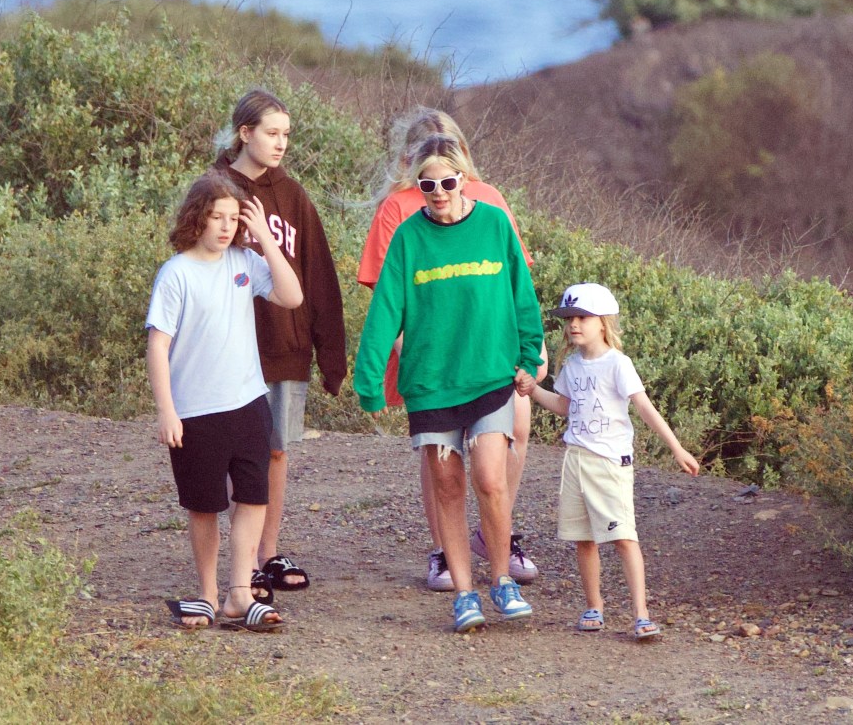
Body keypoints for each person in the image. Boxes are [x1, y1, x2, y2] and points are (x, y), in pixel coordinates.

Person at [354, 134, 544, 632]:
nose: (438, 192)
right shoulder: (409, 239)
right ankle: (465, 592)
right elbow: (383, 314)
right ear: (417, 186)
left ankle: (500, 579)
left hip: (490, 376)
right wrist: (368, 382)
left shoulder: (495, 224)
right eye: (427, 184)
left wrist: (530, 356)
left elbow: (522, 295)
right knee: (447, 485)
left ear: (464, 179)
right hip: (432, 384)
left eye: (447, 181)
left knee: (490, 479)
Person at [146, 170, 303, 631]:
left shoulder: (245, 262)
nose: (225, 226)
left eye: (233, 218)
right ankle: (208, 595)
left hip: (249, 403)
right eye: (217, 216)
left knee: (254, 496)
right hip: (195, 411)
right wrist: (166, 410)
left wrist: (263, 240)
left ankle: (239, 594)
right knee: (205, 505)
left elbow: (291, 297)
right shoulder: (176, 273)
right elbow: (158, 345)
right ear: (198, 217)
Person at [215, 89, 347, 599]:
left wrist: (329, 354)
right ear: (245, 133)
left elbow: (318, 277)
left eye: (286, 134)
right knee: (237, 450)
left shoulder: (293, 197)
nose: (281, 143)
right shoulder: (216, 189)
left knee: (275, 451)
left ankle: (267, 553)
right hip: (232, 343)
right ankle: (240, 564)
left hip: (284, 345)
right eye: (272, 132)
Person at [516, 283, 700, 639]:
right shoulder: (571, 365)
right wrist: (531, 390)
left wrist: (677, 448)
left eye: (583, 317)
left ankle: (641, 613)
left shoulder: (618, 363)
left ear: (603, 322)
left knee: (623, 537)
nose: (574, 325)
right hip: (576, 460)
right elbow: (564, 407)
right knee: (583, 538)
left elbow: (644, 407)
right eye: (569, 318)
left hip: (610, 462)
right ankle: (593, 605)